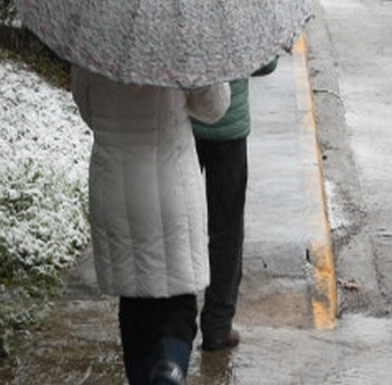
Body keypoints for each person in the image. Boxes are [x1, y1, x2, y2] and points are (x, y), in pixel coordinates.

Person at [71, 65, 230, 385]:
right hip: (171, 186)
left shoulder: (94, 42)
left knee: (133, 302)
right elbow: (214, 108)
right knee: (178, 302)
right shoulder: (179, 40)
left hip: (115, 186)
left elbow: (87, 108)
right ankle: (168, 372)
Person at [192, 58, 277, 352]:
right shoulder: (237, 13)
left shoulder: (173, 12)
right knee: (226, 230)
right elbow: (266, 63)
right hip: (229, 128)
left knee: (181, 225)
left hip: (181, 127)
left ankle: (178, 322)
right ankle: (218, 326)